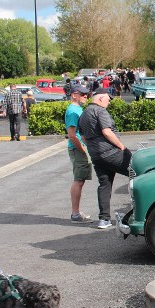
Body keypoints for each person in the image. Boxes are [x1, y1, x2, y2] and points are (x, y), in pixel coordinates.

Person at [78, 87, 132, 229]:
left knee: (104, 184)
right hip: (112, 153)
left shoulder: (84, 113)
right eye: (108, 99)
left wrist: (94, 148)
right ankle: (139, 214)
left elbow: (83, 136)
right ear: (101, 98)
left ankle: (104, 219)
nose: (109, 102)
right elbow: (107, 132)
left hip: (96, 156)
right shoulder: (100, 111)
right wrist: (122, 147)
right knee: (137, 174)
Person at [65, 85, 93, 223]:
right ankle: (75, 214)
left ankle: (76, 213)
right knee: (79, 180)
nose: (85, 97)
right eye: (83, 94)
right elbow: (71, 135)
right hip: (77, 149)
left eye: (86, 94)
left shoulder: (77, 109)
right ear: (74, 95)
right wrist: (82, 149)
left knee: (80, 180)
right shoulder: (72, 111)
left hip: (79, 148)